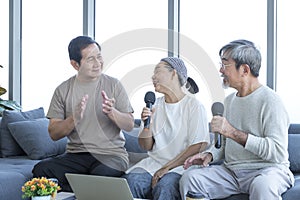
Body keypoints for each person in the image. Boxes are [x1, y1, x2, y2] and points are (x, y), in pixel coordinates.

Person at [179, 39, 295, 200]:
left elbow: (277, 152)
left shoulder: (271, 101)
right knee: (191, 180)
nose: (220, 70)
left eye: (225, 65)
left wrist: (232, 132)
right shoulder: (229, 101)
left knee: (263, 186)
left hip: (268, 170)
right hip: (232, 172)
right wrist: (210, 155)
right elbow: (224, 145)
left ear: (245, 70)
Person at [32, 36, 134, 192]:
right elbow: (54, 133)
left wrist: (112, 113)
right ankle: (85, 191)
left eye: (99, 57)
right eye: (90, 59)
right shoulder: (63, 90)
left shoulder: (114, 85)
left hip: (112, 155)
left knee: (98, 175)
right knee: (41, 170)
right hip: (76, 155)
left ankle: (81, 190)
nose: (98, 63)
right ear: (75, 64)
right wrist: (74, 118)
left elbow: (129, 125)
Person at [122, 57, 210, 200]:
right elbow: (145, 146)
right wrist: (147, 126)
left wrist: (167, 168)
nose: (153, 77)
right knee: (130, 182)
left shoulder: (194, 106)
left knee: (165, 186)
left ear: (174, 73)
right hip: (153, 164)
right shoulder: (155, 105)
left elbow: (198, 145)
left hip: (182, 166)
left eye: (157, 71)